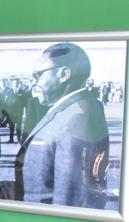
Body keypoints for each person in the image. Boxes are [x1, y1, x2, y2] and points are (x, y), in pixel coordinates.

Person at [15, 43, 110, 208]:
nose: (34, 82)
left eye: (38, 75)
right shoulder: (69, 110)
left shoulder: (76, 117)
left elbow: (70, 202)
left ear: (64, 74)